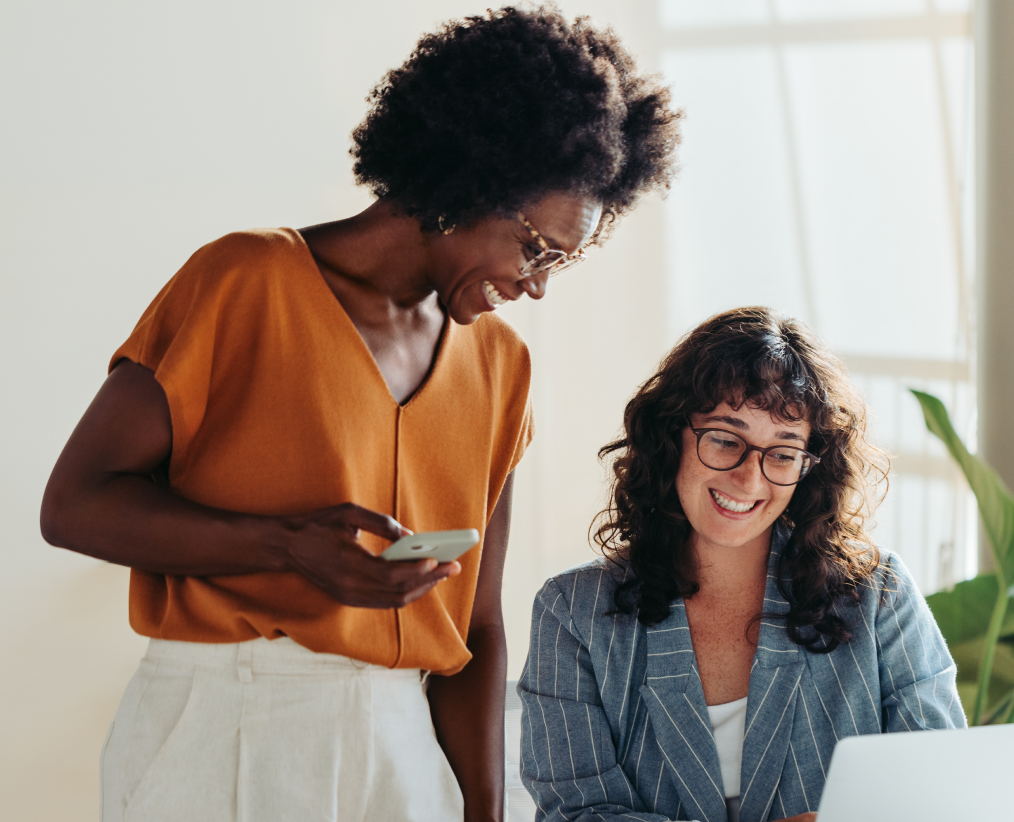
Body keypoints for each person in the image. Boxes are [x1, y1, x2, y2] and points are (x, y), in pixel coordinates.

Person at [39, 7, 681, 822]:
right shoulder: (244, 281)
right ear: (468, 184)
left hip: (402, 745)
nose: (538, 283)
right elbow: (73, 504)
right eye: (535, 248)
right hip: (225, 724)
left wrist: (484, 810)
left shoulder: (500, 366)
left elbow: (476, 627)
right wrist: (281, 546)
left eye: (564, 261)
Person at [518, 307, 965, 822]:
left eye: (781, 453)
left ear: (808, 468)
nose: (749, 480)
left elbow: (936, 793)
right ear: (672, 438)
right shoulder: (572, 612)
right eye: (726, 440)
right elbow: (579, 812)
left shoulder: (878, 593)